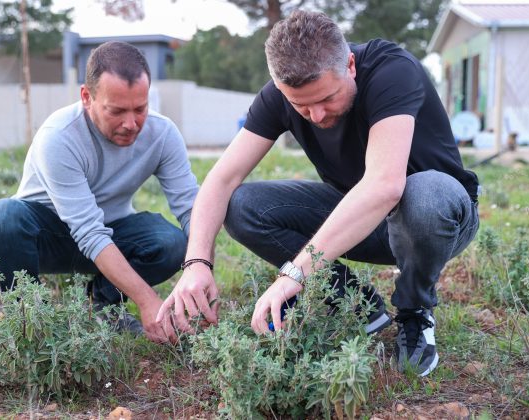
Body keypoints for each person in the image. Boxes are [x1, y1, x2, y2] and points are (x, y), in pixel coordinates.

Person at [157, 10, 479, 376]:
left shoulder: (393, 70)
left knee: (423, 192)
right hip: (362, 222)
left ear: (351, 66)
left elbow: (384, 185)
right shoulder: (279, 96)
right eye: (300, 105)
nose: (315, 114)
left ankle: (414, 310)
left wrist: (294, 274)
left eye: (327, 97)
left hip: (437, 220)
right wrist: (197, 263)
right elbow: (220, 180)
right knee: (242, 206)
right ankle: (358, 306)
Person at [0, 41, 198, 344]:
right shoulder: (59, 137)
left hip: (112, 230)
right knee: (2, 217)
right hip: (47, 237)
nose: (131, 123)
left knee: (172, 243)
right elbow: (88, 232)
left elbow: (190, 208)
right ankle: (27, 320)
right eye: (117, 111)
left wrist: (202, 268)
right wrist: (148, 301)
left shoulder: (163, 134)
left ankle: (102, 307)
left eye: (140, 108)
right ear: (86, 97)